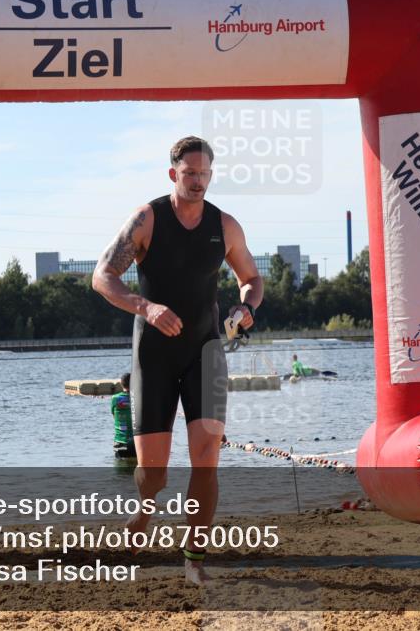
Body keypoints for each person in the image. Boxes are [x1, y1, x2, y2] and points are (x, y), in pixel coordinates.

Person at [92, 136, 263, 585]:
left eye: (205, 174)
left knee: (206, 457)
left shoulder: (224, 226)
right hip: (154, 354)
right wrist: (145, 307)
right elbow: (101, 276)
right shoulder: (147, 219)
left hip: (206, 351)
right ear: (174, 174)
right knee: (155, 474)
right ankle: (144, 512)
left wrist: (246, 307)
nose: (198, 182)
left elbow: (251, 278)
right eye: (190, 174)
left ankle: (193, 559)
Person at [110, 373, 136, 461]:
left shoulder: (115, 398)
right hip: (137, 442)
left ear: (121, 384)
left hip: (120, 442)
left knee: (121, 472)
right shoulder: (138, 398)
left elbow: (114, 416)